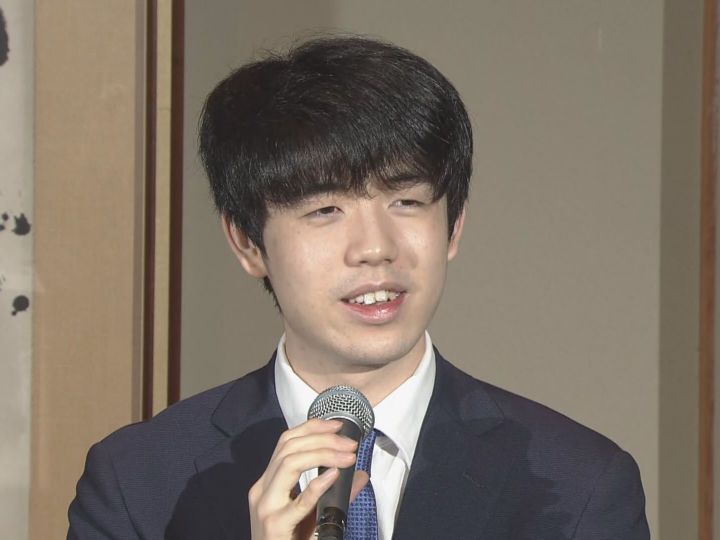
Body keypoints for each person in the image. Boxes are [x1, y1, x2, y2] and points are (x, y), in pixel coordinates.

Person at [68, 36, 650, 539]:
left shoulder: (581, 483)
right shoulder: (137, 482)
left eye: (407, 201)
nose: (375, 247)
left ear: (453, 225)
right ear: (247, 242)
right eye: (325, 210)